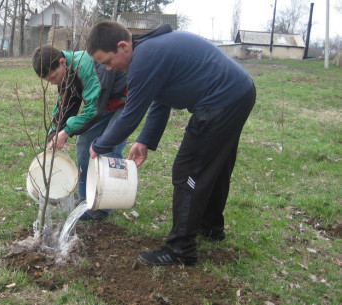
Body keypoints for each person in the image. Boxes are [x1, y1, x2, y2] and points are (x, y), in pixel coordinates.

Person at [86, 21, 256, 265]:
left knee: (188, 170)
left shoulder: (144, 59)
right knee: (214, 165)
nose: (109, 69)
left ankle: (180, 250)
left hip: (221, 100)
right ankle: (210, 227)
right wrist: (145, 140)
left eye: (107, 61)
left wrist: (98, 146)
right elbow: (160, 100)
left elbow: (129, 115)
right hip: (239, 91)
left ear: (122, 46)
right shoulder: (149, 49)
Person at [32, 44, 128, 220]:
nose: (53, 82)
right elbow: (65, 105)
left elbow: (93, 110)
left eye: (53, 76)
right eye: (48, 80)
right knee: (84, 142)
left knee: (108, 148)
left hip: (124, 101)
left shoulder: (84, 66)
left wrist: (66, 131)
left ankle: (104, 206)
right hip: (104, 103)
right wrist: (55, 132)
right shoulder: (65, 74)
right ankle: (85, 199)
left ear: (62, 62)